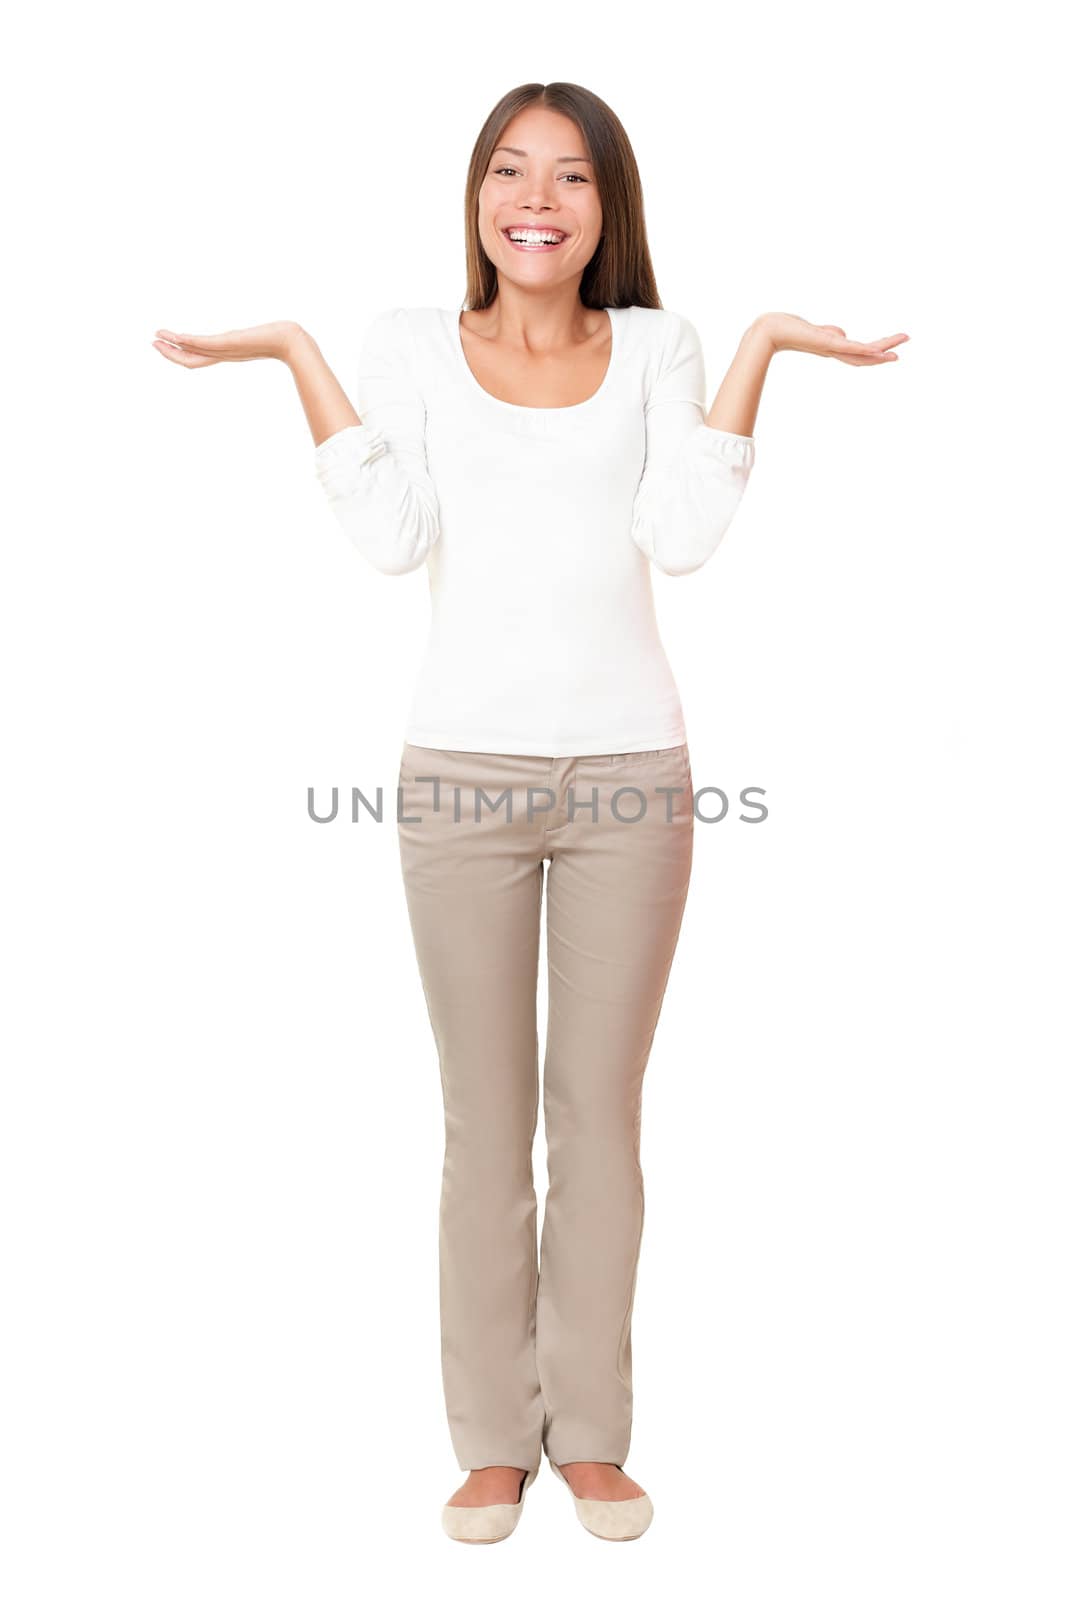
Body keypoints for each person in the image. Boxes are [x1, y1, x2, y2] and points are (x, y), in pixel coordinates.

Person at [153, 80, 908, 1545]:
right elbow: (391, 541)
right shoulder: (410, 347)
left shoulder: (657, 348)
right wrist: (297, 358)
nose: (537, 199)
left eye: (570, 176)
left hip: (633, 777)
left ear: (607, 209)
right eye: (512, 171)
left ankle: (598, 1437)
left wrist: (758, 352)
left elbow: (682, 539)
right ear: (479, 199)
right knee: (483, 1127)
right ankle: (495, 1440)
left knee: (600, 1124)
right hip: (459, 780)